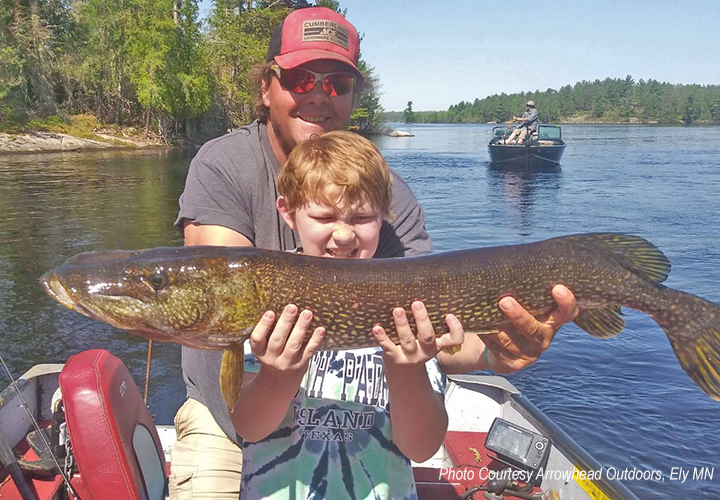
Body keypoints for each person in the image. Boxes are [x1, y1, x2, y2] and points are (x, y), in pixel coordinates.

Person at [169, 7, 577, 499]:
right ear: (267, 88)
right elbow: (221, 303)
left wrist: (497, 349)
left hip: (373, 433)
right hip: (232, 413)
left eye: (337, 82)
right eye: (301, 79)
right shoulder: (224, 164)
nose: (319, 94)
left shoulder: (387, 194)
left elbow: (431, 329)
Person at [232, 130, 463, 499]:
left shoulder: (406, 301)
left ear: (384, 215)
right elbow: (249, 426)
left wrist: (406, 370)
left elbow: (422, 447)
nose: (343, 235)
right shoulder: (262, 297)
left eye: (362, 217)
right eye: (324, 216)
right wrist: (278, 376)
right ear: (288, 213)